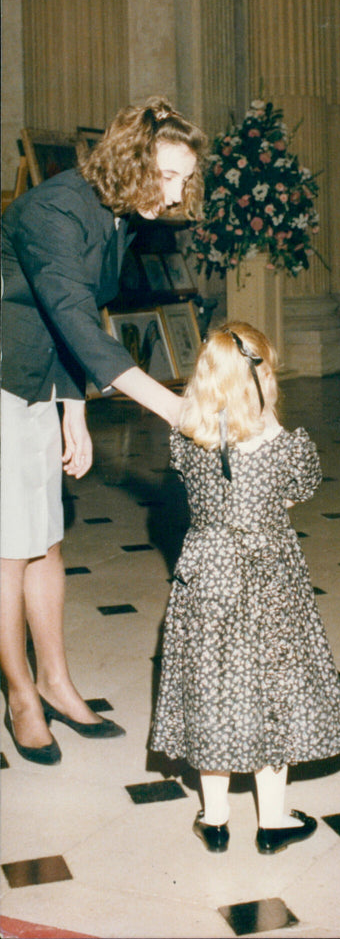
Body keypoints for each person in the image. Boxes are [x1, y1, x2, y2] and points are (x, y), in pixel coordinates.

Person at [1, 97, 207, 764]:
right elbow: (74, 317)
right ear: (131, 160)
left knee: (46, 541)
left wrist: (73, 408)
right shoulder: (51, 210)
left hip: (41, 379)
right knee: (7, 552)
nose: (176, 196)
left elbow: (82, 311)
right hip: (1, 378)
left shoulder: (120, 215)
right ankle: (20, 693)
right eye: (169, 176)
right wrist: (174, 408)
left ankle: (56, 680)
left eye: (183, 180)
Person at [149, 322, 340, 855]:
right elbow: (298, 490)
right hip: (268, 578)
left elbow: (194, 475)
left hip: (205, 574)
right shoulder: (282, 444)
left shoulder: (186, 436)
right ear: (263, 379)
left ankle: (215, 818)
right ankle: (273, 819)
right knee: (272, 690)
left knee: (211, 687)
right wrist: (269, 422)